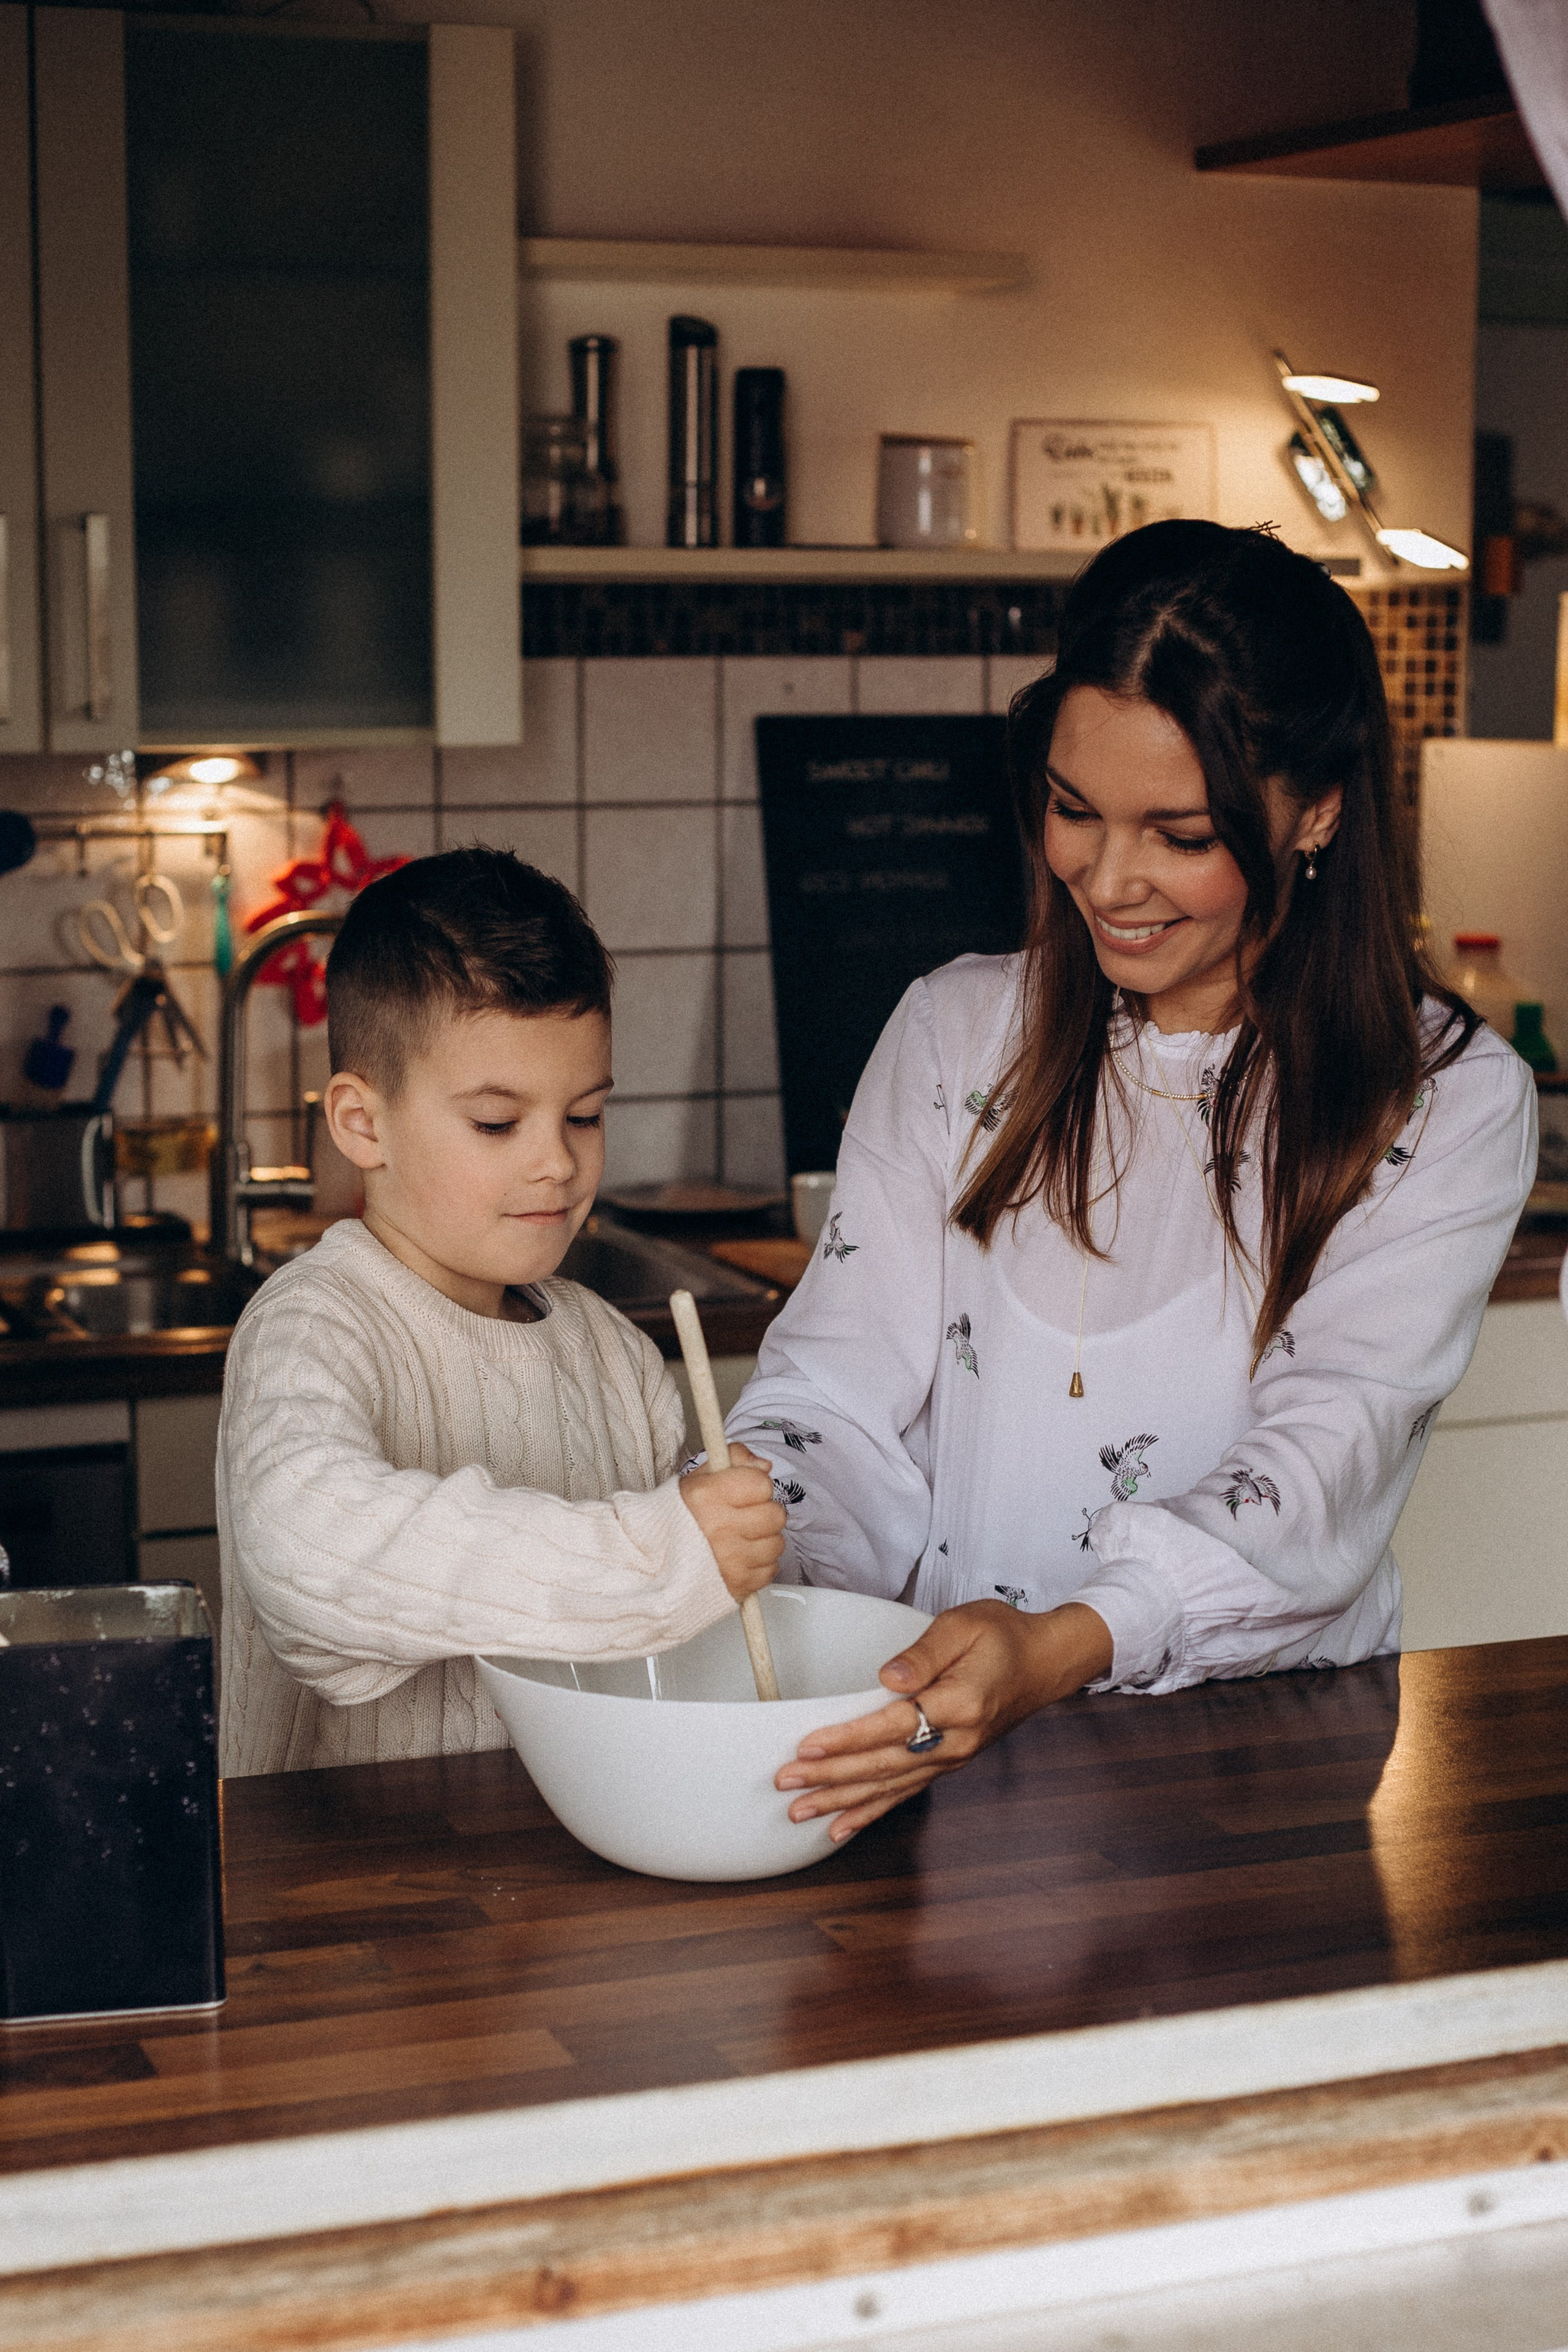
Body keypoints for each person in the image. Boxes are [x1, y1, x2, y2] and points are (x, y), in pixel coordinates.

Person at [731, 521, 1537, 1844]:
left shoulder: (1437, 1101)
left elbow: (1322, 1454)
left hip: (1256, 1773)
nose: (1107, 881)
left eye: (1176, 832)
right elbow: (835, 1394)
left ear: (1317, 805)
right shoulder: (952, 1035)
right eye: (1071, 810)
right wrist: (752, 1543)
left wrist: (1060, 1643)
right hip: (934, 1756)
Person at [217, 849, 783, 1776]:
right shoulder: (314, 1325)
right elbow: (304, 1555)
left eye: (585, 1115)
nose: (556, 1164)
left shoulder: (613, 1352)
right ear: (363, 1125)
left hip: (569, 1867)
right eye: (496, 1123)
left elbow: (654, 1638)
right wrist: (657, 1554)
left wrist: (714, 1532)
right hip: (354, 1892)